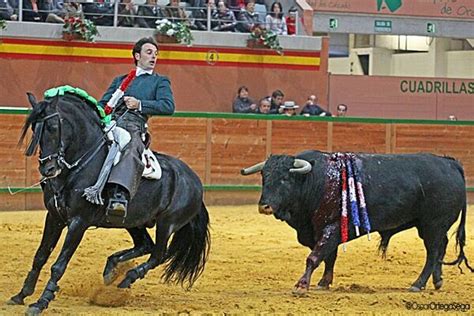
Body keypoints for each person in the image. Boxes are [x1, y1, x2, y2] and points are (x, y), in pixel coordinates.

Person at [99, 37, 175, 219]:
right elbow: (102, 104)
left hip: (134, 124)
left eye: (156, 54)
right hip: (110, 121)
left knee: (131, 146)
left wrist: (140, 104)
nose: (154, 57)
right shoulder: (120, 80)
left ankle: (120, 196)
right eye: (149, 53)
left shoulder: (160, 81)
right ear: (137, 55)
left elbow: (168, 106)